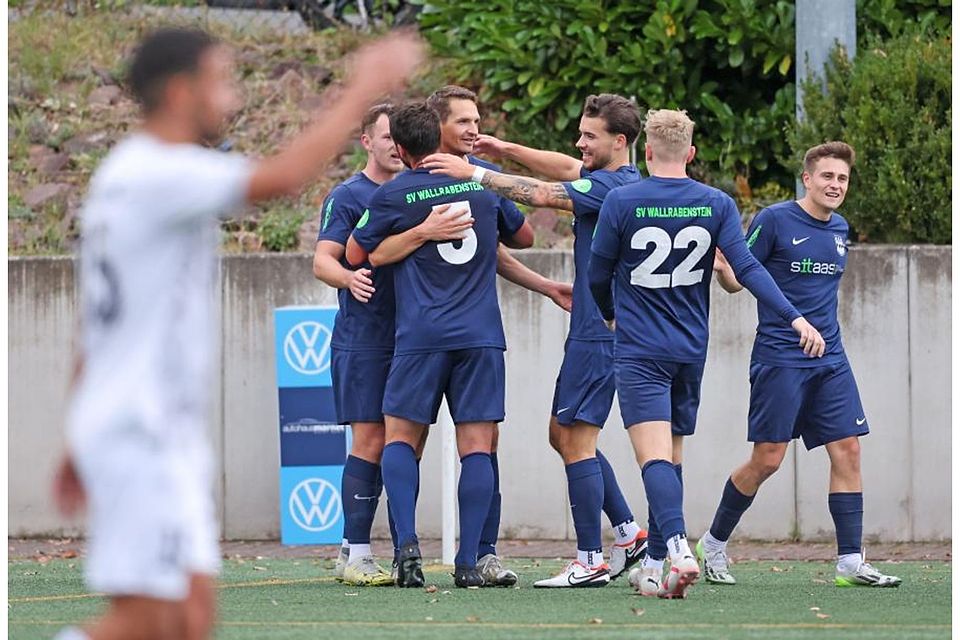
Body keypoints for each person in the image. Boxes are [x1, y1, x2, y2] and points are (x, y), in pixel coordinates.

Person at [52, 27, 423, 640]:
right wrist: (365, 85)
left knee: (192, 615)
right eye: (220, 79)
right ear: (179, 91)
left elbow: (98, 323)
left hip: (148, 426)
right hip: (138, 430)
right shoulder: (161, 169)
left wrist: (74, 434)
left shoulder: (129, 172)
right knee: (143, 617)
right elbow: (280, 179)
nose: (233, 94)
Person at [588, 108, 825, 599]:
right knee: (671, 455)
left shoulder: (622, 201)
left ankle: (676, 545)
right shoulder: (715, 202)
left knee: (651, 457)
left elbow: (596, 275)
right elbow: (750, 269)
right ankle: (654, 564)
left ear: (646, 151)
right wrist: (796, 316)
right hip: (689, 348)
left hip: (640, 349)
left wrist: (611, 312)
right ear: (691, 154)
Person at [423, 93, 648, 588]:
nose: (579, 143)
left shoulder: (608, 188)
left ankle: (590, 559)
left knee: (575, 440)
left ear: (620, 141)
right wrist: (503, 147)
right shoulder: (617, 177)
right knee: (563, 434)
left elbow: (545, 195)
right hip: (593, 327)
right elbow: (567, 166)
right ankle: (630, 534)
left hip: (600, 332)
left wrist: (477, 173)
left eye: (589, 136)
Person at [696, 142, 902, 589]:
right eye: (827, 176)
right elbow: (739, 277)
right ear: (807, 179)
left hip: (830, 358)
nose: (835, 185)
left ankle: (850, 562)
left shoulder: (840, 229)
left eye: (842, 178)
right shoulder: (773, 220)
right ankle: (712, 544)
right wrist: (722, 268)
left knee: (848, 449)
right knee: (767, 460)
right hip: (779, 358)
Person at [346, 102, 534, 588]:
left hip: (420, 336)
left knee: (400, 440)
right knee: (478, 448)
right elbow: (526, 235)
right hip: (480, 336)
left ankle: (406, 548)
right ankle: (470, 562)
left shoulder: (394, 193)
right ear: (440, 137)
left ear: (402, 149)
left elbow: (354, 254)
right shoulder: (483, 182)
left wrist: (411, 234)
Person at [312, 104, 470, 586]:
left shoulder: (424, 191)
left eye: (394, 137)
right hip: (366, 339)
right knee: (373, 440)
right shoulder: (349, 196)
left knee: (406, 444)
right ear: (368, 142)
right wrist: (350, 278)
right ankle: (356, 550)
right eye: (381, 136)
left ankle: (386, 548)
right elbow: (323, 261)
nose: (391, 145)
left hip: (416, 339)